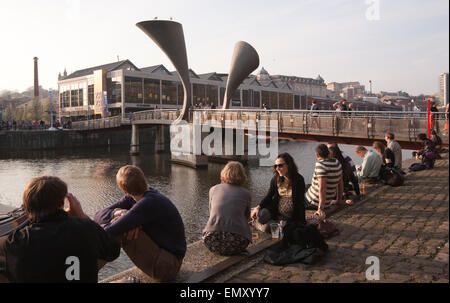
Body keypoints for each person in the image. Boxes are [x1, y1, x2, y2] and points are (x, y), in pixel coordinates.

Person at [0, 176, 120, 283]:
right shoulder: (86, 228)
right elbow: (113, 251)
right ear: (63, 202)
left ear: (27, 206)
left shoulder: (14, 243)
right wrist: (82, 216)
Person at [94, 165, 186, 282]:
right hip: (164, 259)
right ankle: (87, 272)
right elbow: (98, 215)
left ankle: (85, 274)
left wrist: (126, 222)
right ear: (144, 179)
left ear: (124, 191)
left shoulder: (149, 202)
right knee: (120, 225)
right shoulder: (136, 198)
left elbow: (108, 231)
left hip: (169, 266)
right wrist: (116, 212)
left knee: (119, 230)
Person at [202, 162, 251, 256]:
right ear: (242, 175)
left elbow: (211, 212)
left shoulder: (213, 189)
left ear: (224, 173)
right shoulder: (246, 193)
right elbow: (247, 218)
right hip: (236, 243)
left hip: (211, 241)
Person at [251, 153, 306, 232]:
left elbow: (301, 202)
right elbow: (269, 196)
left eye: (280, 165)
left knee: (269, 228)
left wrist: (301, 222)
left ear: (288, 165)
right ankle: (260, 221)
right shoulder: (276, 179)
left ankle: (259, 224)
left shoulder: (298, 180)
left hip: (289, 217)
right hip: (275, 211)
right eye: (275, 166)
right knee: (261, 216)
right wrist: (258, 207)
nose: (277, 168)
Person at [305, 144, 343, 217]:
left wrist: (320, 208)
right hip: (327, 202)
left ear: (317, 155)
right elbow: (340, 183)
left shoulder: (320, 165)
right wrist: (338, 200)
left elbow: (322, 188)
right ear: (328, 152)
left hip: (313, 201)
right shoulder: (337, 162)